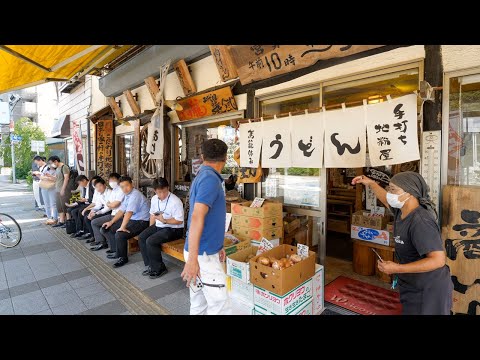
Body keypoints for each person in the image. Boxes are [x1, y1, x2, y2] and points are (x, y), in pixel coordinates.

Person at [352, 171, 453, 315]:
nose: (389, 193)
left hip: (429, 288)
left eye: (393, 189)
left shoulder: (420, 221)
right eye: (389, 188)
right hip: (413, 284)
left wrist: (396, 268)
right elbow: (386, 199)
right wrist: (371, 183)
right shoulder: (402, 209)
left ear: (410, 193)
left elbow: (438, 260)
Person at [181, 139, 231, 315]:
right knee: (220, 304)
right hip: (202, 255)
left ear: (202, 157)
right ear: (225, 159)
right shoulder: (210, 179)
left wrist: (219, 245)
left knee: (199, 303)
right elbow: (196, 217)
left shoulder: (203, 175)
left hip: (203, 251)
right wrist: (193, 259)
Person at [138, 177, 184, 279]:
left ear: (168, 188)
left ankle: (159, 268)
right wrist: (150, 229)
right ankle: (150, 265)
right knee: (142, 237)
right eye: (159, 192)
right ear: (155, 191)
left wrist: (165, 221)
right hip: (159, 225)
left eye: (164, 191)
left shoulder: (175, 201)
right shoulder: (154, 199)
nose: (162, 195)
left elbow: (179, 220)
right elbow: (152, 215)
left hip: (174, 229)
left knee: (151, 241)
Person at [101, 176, 150, 268]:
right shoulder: (127, 195)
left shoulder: (135, 195)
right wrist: (111, 222)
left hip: (142, 222)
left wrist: (122, 227)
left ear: (132, 184)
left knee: (120, 234)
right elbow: (121, 210)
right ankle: (117, 251)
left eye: (127, 185)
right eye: (122, 187)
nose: (125, 188)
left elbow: (129, 212)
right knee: (107, 228)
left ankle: (123, 258)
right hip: (133, 220)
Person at [90, 173, 125, 251]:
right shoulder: (113, 191)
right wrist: (93, 211)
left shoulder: (120, 190)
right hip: (112, 213)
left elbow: (113, 205)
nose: (111, 182)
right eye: (110, 180)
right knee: (94, 222)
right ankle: (101, 242)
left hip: (118, 215)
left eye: (113, 180)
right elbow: (108, 203)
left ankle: (113, 247)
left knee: (104, 228)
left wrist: (109, 205)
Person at [80, 178, 112, 243]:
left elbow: (108, 208)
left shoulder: (109, 192)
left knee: (93, 219)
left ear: (104, 185)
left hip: (110, 212)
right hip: (103, 210)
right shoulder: (100, 193)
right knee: (88, 217)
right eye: (96, 187)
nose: (98, 188)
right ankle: (95, 237)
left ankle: (101, 241)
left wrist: (96, 213)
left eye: (100, 186)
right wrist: (92, 211)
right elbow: (98, 205)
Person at [47, 156, 71, 228]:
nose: (51, 165)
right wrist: (50, 176)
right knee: (59, 206)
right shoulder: (57, 168)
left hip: (63, 190)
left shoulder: (64, 167)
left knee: (65, 206)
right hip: (57, 190)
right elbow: (57, 179)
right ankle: (61, 221)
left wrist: (63, 189)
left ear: (56, 161)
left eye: (52, 163)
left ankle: (68, 222)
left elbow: (66, 178)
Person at [34, 156, 58, 225]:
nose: (51, 165)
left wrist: (48, 177)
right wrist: (41, 176)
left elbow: (56, 179)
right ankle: (49, 218)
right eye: (50, 163)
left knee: (53, 203)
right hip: (44, 187)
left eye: (52, 163)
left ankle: (55, 218)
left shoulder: (56, 170)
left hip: (52, 187)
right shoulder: (46, 169)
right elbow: (42, 177)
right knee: (46, 203)